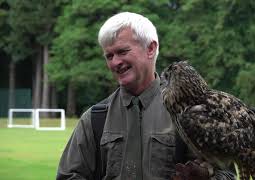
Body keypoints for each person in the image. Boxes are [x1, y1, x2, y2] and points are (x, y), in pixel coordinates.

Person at [56, 12, 236, 180]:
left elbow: (227, 174)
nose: (115, 62)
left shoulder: (191, 113)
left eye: (122, 52)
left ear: (150, 48)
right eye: (109, 56)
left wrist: (206, 175)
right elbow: (69, 176)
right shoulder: (95, 119)